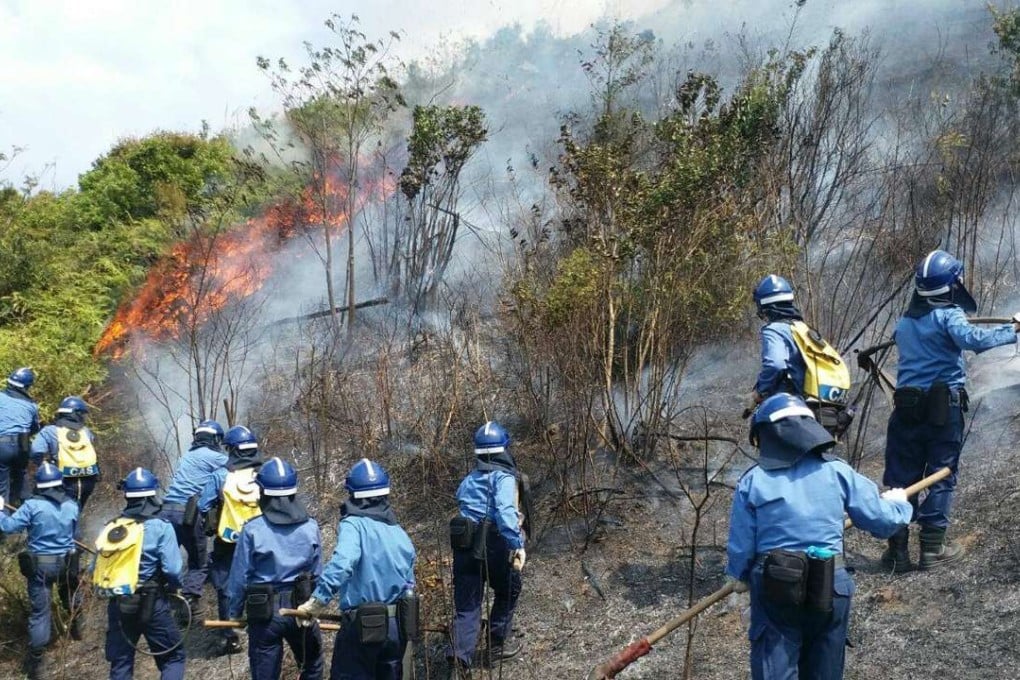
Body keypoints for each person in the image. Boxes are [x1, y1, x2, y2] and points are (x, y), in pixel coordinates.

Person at [727, 393, 913, 679]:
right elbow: (882, 521)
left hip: (776, 583)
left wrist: (737, 575)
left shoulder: (753, 481)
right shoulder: (837, 471)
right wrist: (899, 503)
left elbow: (742, 544)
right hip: (830, 581)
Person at [880, 250, 1019, 571]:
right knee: (942, 473)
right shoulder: (949, 315)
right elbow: (973, 339)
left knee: (901, 479)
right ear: (950, 286)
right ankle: (932, 550)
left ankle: (896, 553)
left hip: (905, 410)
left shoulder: (904, 322)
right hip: (943, 410)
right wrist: (1014, 327)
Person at [296, 458, 417, 680]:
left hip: (363, 626)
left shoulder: (353, 524)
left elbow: (343, 562)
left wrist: (316, 601)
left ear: (352, 494)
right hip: (396, 627)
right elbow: (409, 583)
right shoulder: (399, 531)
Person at [226, 457, 323, 680]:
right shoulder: (311, 527)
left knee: (264, 673)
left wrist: (234, 613)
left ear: (263, 493)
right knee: (312, 665)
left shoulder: (252, 530)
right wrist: (315, 605)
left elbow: (239, 578)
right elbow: (318, 573)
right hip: (302, 607)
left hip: (264, 613)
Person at [444, 422, 526, 675]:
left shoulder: (469, 479)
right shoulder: (503, 478)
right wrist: (517, 544)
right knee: (509, 587)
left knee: (468, 604)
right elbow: (504, 512)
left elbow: (461, 501)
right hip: (493, 542)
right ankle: (496, 644)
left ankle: (460, 656)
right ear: (504, 449)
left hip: (464, 545)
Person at [93, 467, 185, 680]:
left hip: (118, 604)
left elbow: (95, 569)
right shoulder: (161, 527)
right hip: (153, 603)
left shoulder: (111, 527)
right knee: (173, 658)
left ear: (127, 495)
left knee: (121, 662)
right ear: (153, 494)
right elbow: (172, 569)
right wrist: (175, 587)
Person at [0, 462, 81, 679]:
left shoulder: (31, 507)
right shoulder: (72, 505)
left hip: (40, 567)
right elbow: (76, 533)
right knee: (70, 594)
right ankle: (77, 627)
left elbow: (7, 527)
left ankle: (36, 664)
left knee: (40, 613)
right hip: (65, 563)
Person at [198, 424, 262, 655]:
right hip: (260, 539)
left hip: (228, 540)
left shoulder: (220, 476)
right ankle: (260, 623)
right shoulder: (264, 473)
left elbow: (203, 505)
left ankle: (231, 634)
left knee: (225, 585)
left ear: (232, 450)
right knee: (259, 580)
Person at [159, 419, 227, 612]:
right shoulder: (216, 458)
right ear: (215, 439)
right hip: (188, 511)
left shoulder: (186, 456)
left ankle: (166, 594)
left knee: (167, 556)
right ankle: (188, 601)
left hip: (166, 510)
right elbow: (239, 467)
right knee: (198, 561)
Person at [31, 395, 100, 514]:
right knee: (76, 511)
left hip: (64, 480)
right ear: (77, 414)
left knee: (61, 512)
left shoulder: (50, 431)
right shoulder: (86, 431)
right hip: (88, 480)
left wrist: (45, 466)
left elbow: (36, 451)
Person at [750, 275, 806, 406]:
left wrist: (760, 392)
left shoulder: (774, 329)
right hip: (816, 403)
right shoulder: (803, 328)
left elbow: (776, 364)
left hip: (793, 404)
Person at [0, 367, 40, 502]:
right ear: (27, 387)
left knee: (2, 487)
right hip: (23, 444)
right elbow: (34, 428)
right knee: (21, 478)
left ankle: (3, 518)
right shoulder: (32, 406)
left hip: (3, 444)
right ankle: (29, 510)